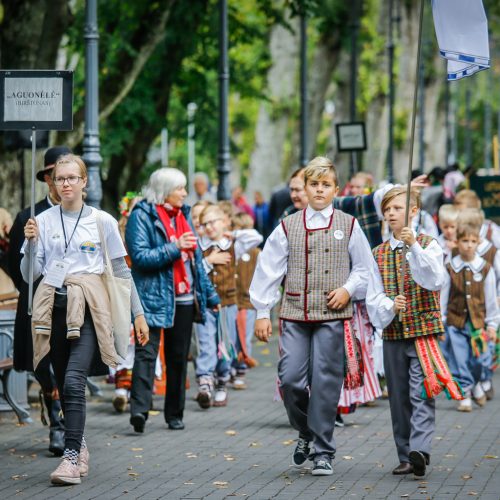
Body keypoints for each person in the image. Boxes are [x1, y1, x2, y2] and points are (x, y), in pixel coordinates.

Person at [22, 154, 149, 485]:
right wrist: (30, 243)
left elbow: (121, 272)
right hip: (55, 308)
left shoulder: (102, 221)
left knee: (75, 380)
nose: (65, 183)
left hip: (92, 310)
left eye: (71, 178)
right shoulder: (43, 220)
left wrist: (139, 314)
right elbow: (30, 275)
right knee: (64, 383)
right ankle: (79, 444)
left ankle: (70, 455)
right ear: (53, 183)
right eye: (59, 179)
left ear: (84, 182)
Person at [250, 156, 373, 476]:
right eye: (314, 184)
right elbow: (268, 270)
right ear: (304, 188)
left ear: (335, 189)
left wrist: (348, 288)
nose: (319, 190)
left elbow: (363, 268)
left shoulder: (349, 224)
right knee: (290, 379)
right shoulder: (287, 226)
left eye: (326, 185)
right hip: (294, 313)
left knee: (326, 382)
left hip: (333, 315)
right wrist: (262, 312)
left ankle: (322, 449)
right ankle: (305, 429)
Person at [367, 186, 462, 479]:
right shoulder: (378, 253)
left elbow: (434, 280)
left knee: (421, 391)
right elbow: (373, 295)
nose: (391, 214)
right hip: (395, 334)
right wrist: (389, 305)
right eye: (388, 209)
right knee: (398, 397)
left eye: (397, 208)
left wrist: (415, 248)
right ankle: (405, 454)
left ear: (413, 211)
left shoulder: (429, 244)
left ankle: (419, 449)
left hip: (422, 332)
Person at [125, 167, 220, 433]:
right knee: (146, 354)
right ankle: (140, 411)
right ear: (165, 190)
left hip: (185, 296)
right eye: (180, 188)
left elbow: (197, 261)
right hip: (152, 296)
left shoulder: (184, 215)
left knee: (179, 358)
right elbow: (141, 258)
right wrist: (175, 246)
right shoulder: (140, 216)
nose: (185, 193)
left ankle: (174, 414)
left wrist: (210, 295)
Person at [7, 146, 71, 457]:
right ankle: (55, 416)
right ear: (47, 178)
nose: (62, 182)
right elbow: (14, 263)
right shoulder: (27, 217)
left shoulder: (85, 215)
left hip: (73, 302)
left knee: (71, 364)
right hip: (37, 302)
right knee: (43, 365)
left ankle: (68, 426)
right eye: (56, 175)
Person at [194, 204, 262, 407]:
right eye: (204, 224)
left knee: (225, 345)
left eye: (213, 222)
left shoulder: (233, 244)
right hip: (205, 305)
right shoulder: (200, 246)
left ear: (224, 222)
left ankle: (222, 380)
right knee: (206, 343)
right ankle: (205, 381)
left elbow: (256, 237)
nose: (209, 227)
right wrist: (210, 260)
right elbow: (196, 269)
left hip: (227, 305)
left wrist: (232, 233)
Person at [440, 220, 499, 412]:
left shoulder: (485, 268)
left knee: (481, 360)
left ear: (478, 241)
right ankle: (464, 394)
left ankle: (476, 383)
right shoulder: (450, 267)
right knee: (458, 359)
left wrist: (492, 324)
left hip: (477, 325)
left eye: (473, 241)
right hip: (455, 323)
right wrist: (441, 321)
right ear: (457, 242)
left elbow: (490, 298)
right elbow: (444, 296)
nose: (469, 245)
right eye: (465, 241)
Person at [233, 212, 261, 387]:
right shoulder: (233, 250)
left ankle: (241, 368)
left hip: (248, 302)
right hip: (233, 301)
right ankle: (232, 367)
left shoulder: (256, 253)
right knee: (233, 335)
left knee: (245, 335)